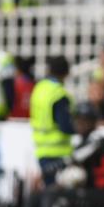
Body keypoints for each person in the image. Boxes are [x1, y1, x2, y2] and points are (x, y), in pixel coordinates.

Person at [30, 56, 74, 187]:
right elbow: (65, 126)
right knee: (58, 192)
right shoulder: (58, 94)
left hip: (41, 150)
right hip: (59, 151)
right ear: (66, 73)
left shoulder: (38, 88)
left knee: (49, 188)